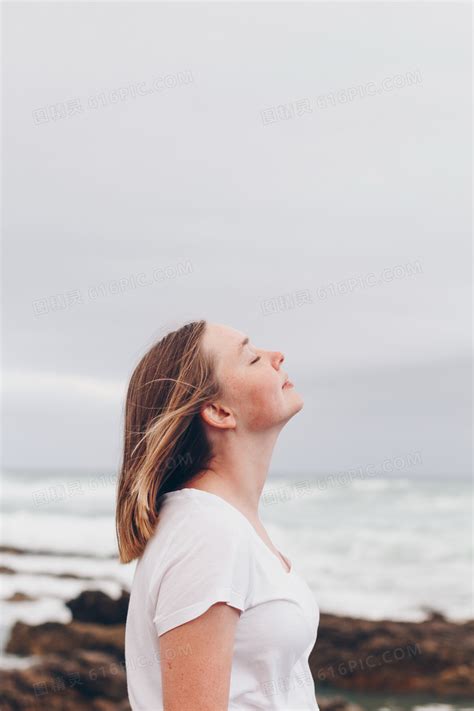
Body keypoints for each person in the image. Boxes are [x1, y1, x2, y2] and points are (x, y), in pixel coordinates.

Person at [116, 319, 320, 710]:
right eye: (251, 357)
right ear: (218, 410)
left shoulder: (224, 523)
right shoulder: (206, 531)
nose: (276, 356)